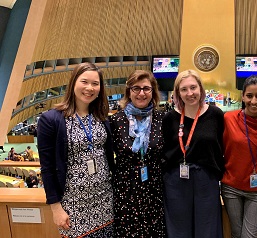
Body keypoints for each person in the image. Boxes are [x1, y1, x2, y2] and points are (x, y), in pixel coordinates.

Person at [37, 62, 115, 237]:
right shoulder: (51, 120)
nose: (90, 88)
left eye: (95, 84)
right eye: (84, 82)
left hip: (105, 200)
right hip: (73, 204)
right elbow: (47, 168)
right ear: (73, 83)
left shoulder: (101, 117)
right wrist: (56, 208)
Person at [162, 69, 225, 238]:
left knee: (207, 227)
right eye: (184, 89)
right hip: (176, 180)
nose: (190, 93)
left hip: (206, 179)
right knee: (178, 229)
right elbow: (165, 150)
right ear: (178, 93)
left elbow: (220, 147)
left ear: (201, 89)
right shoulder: (169, 118)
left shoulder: (215, 114)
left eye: (193, 87)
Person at [109, 70, 166, 237]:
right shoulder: (115, 121)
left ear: (153, 92)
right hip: (126, 193)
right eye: (136, 88)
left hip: (155, 193)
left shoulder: (162, 119)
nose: (141, 93)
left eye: (146, 88)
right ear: (129, 92)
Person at [221, 75, 257, 238]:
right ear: (243, 96)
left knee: (249, 236)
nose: (254, 101)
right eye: (250, 96)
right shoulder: (228, 119)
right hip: (231, 187)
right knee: (236, 233)